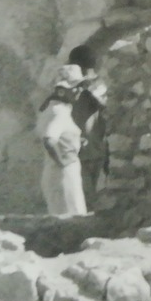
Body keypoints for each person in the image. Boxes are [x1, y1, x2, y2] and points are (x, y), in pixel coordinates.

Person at [35, 64, 88, 218]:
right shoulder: (59, 112)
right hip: (63, 173)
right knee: (73, 219)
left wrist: (76, 141)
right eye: (75, 87)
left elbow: (57, 137)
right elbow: (49, 140)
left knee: (66, 218)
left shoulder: (52, 110)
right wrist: (62, 163)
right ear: (61, 91)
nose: (79, 91)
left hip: (57, 172)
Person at [66, 44, 108, 208]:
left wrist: (88, 87)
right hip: (83, 149)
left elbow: (106, 106)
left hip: (89, 150)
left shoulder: (95, 86)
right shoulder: (71, 87)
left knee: (86, 199)